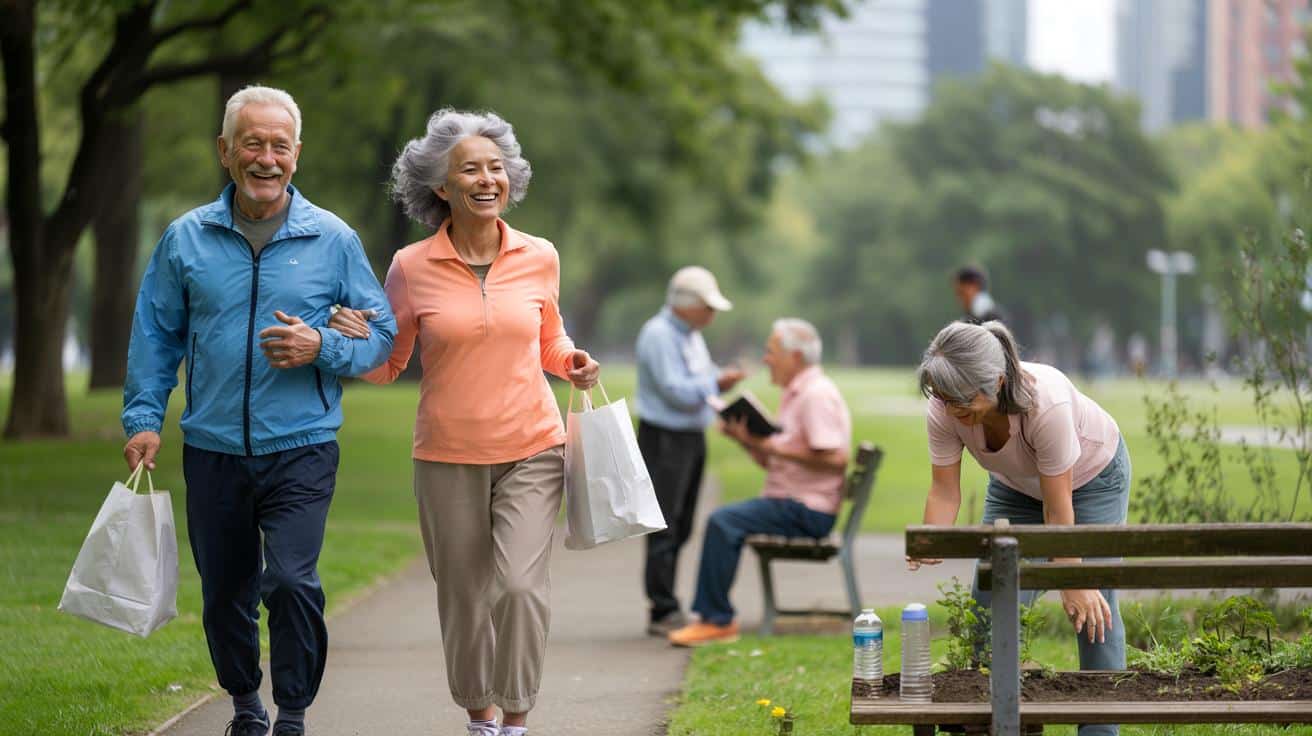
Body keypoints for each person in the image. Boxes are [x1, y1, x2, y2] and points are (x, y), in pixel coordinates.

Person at [121, 86, 397, 736]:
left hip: (302, 446)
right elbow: (155, 332)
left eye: (278, 145)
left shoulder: (333, 240)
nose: (265, 158)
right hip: (213, 450)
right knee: (224, 594)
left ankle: (293, 714)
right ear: (226, 151)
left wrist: (320, 345)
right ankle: (246, 705)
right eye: (252, 143)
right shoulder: (186, 239)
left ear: (296, 155)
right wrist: (142, 418)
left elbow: (382, 339)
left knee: (293, 584)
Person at [328, 109, 600, 736]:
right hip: (446, 456)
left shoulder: (540, 256)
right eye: (470, 170)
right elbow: (389, 363)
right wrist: (353, 340)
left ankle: (517, 719)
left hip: (532, 448)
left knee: (520, 589)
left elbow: (550, 341)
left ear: (510, 179)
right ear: (441, 188)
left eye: (496, 168)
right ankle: (480, 719)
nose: (487, 179)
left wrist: (574, 363)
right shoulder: (410, 265)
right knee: (463, 598)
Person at [908, 320, 1130, 736]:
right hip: (1014, 488)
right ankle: (990, 718)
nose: (951, 409)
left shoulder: (1046, 405)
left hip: (1091, 482)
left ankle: (1100, 731)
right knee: (991, 593)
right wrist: (930, 538)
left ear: (997, 381)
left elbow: (1059, 508)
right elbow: (944, 491)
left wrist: (1072, 576)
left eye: (961, 400)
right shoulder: (944, 406)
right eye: (942, 396)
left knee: (1092, 602)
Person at [666, 318, 851, 647]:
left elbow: (836, 458)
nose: (766, 359)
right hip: (793, 503)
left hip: (806, 510)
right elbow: (779, 456)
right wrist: (748, 440)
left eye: (771, 351)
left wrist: (768, 445)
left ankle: (716, 620)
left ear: (795, 357)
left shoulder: (815, 395)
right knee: (726, 521)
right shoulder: (796, 394)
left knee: (724, 522)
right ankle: (714, 617)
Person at [635, 266, 745, 636]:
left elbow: (700, 377)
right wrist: (714, 381)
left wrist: (720, 380)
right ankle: (662, 609)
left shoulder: (691, 336)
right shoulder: (659, 334)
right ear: (686, 305)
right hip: (664, 437)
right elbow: (675, 391)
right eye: (707, 307)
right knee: (665, 524)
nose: (712, 315)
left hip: (689, 436)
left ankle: (668, 603)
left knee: (682, 523)